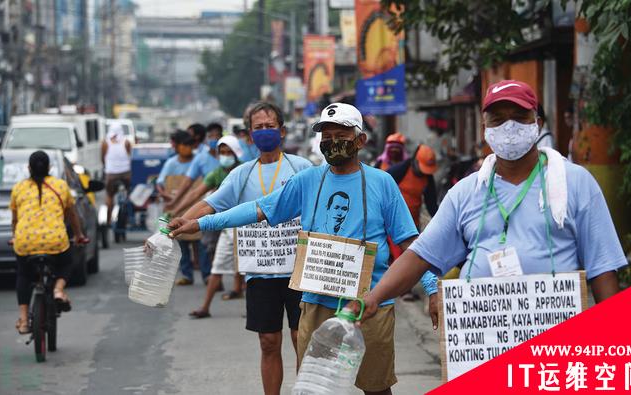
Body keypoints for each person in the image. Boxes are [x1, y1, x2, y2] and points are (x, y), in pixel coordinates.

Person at [169, 102, 439, 395]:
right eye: (326, 135)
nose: (332, 141)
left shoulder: (382, 183)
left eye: (342, 134)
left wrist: (432, 289)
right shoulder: (308, 180)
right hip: (316, 303)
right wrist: (201, 223)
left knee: (376, 388)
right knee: (316, 388)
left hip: (369, 305)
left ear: (360, 140)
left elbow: (410, 243)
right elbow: (258, 209)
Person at [355, 80, 627, 327]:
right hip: (484, 340)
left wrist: (617, 338)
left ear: (538, 124)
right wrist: (374, 297)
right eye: (498, 120)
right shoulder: (466, 192)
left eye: (520, 118)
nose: (509, 127)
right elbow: (420, 255)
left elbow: (602, 268)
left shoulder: (575, 182)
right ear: (485, 129)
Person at [168, 102, 312, 395]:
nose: (265, 132)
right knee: (268, 342)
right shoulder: (241, 175)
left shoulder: (302, 168)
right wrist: (183, 220)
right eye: (258, 128)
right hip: (260, 272)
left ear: (282, 131)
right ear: (249, 136)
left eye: (270, 126)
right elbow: (212, 203)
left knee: (302, 339)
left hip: (301, 270)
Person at [10, 151, 88, 334]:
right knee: (66, 261)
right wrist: (78, 236)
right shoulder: (60, 186)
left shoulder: (18, 188)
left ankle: (23, 320)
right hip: (56, 242)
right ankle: (59, 290)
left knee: (23, 274)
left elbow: (15, 220)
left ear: (29, 168)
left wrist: (15, 237)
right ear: (50, 168)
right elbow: (72, 215)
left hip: (25, 243)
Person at [188, 135, 246, 318]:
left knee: (249, 269)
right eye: (222, 152)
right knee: (217, 266)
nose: (226, 156)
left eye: (229, 152)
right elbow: (199, 196)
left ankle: (250, 308)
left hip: (248, 226)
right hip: (227, 225)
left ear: (237, 153)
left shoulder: (246, 171)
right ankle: (205, 307)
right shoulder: (217, 173)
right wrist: (178, 213)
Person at [155, 131, 209, 286]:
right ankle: (187, 274)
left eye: (189, 145)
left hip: (198, 206)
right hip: (177, 207)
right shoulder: (171, 163)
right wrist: (167, 196)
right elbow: (160, 183)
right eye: (184, 145)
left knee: (201, 242)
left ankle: (207, 275)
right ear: (177, 146)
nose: (187, 148)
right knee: (181, 242)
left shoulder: (198, 161)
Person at [387, 144, 439, 302]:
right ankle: (403, 290)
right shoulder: (398, 171)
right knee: (400, 257)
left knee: (412, 256)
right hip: (393, 223)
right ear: (415, 161)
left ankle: (401, 286)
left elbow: (431, 205)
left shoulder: (428, 179)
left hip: (412, 223)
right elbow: (381, 189)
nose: (424, 172)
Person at [165, 123, 223, 210]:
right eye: (211, 136)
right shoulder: (201, 158)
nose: (214, 139)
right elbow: (188, 183)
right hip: (211, 200)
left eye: (217, 135)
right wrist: (174, 202)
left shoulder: (230, 158)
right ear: (207, 138)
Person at [101, 122, 132, 226]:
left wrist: (107, 167)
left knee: (109, 195)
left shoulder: (105, 142)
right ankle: (128, 217)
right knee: (129, 193)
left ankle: (109, 220)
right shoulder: (126, 142)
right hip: (126, 173)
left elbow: (103, 158)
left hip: (111, 173)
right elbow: (130, 156)